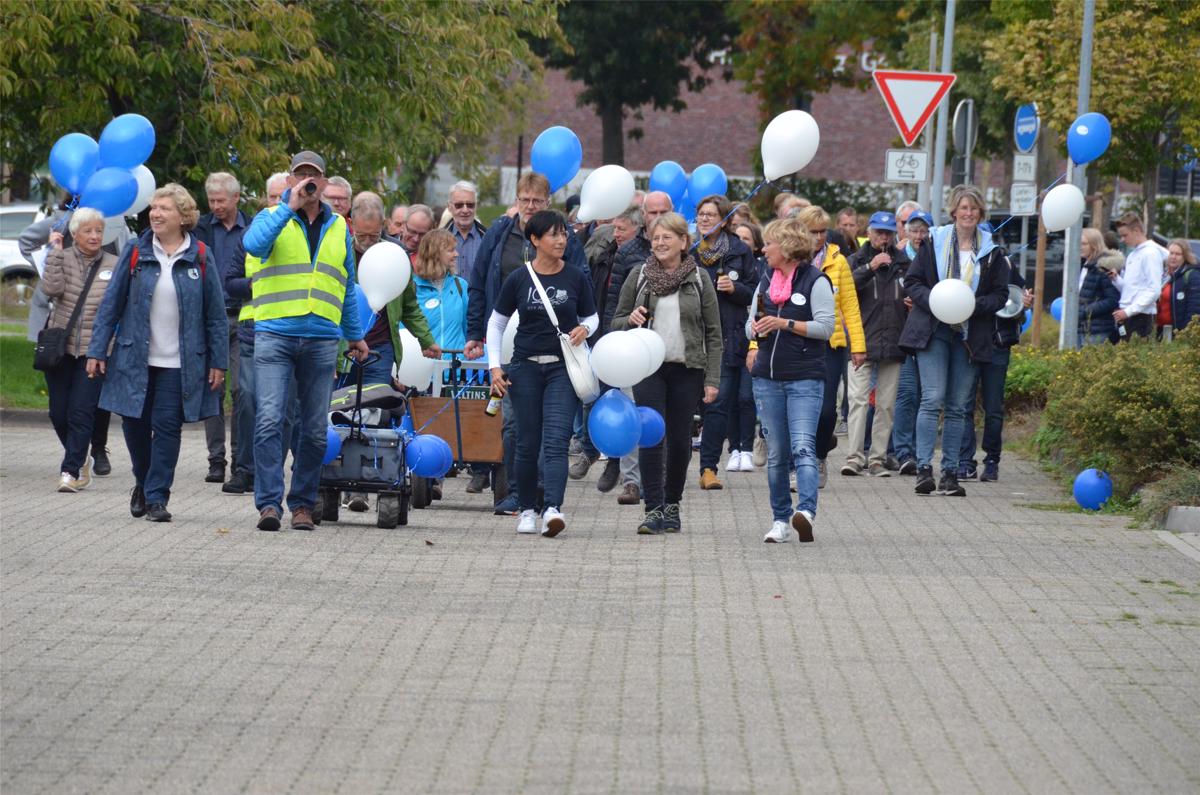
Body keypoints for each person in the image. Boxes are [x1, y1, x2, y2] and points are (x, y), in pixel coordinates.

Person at [240, 150, 369, 532]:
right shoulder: (271, 218)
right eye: (301, 175)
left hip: (321, 339)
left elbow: (345, 284)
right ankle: (268, 504)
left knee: (313, 429)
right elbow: (254, 246)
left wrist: (355, 335)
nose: (308, 181)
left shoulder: (338, 228)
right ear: (292, 180)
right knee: (269, 420)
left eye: (314, 176)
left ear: (326, 184)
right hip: (275, 334)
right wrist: (287, 206)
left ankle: (302, 505)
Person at [86, 184, 229, 521]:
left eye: (164, 208)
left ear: (183, 216)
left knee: (167, 426)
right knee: (133, 425)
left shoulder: (201, 256)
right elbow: (111, 305)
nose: (156, 213)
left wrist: (219, 361)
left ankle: (157, 498)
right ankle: (143, 481)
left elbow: (215, 316)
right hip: (134, 357)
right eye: (154, 207)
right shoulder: (136, 252)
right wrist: (97, 350)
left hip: (179, 362)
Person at [464, 172, 589, 516]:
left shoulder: (566, 241)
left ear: (547, 202)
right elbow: (478, 283)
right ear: (516, 201)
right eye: (525, 200)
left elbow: (583, 288)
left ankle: (546, 496)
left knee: (551, 427)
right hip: (506, 340)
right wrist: (476, 332)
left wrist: (582, 328)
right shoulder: (498, 234)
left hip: (554, 345)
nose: (530, 207)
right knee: (513, 424)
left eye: (537, 201)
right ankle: (516, 493)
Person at [485, 210, 597, 537]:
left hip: (562, 368)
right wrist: (495, 366)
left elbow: (592, 316)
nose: (561, 240)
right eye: (553, 235)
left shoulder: (575, 276)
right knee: (526, 442)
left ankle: (553, 508)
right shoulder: (519, 278)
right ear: (535, 240)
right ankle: (527, 509)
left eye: (564, 234)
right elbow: (497, 323)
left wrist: (584, 329)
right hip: (524, 368)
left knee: (556, 440)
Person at [611, 212, 721, 534]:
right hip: (648, 368)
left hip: (687, 369)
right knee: (650, 434)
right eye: (655, 237)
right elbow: (615, 321)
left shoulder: (699, 279)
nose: (659, 242)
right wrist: (629, 319)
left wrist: (712, 380)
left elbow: (714, 333)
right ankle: (653, 508)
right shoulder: (639, 275)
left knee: (678, 440)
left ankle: (672, 503)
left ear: (683, 242)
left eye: (667, 237)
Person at [898, 185, 1010, 497]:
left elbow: (1001, 294)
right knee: (932, 398)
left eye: (974, 209)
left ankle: (950, 471)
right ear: (954, 211)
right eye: (963, 208)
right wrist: (933, 300)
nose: (969, 213)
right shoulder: (934, 241)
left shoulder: (992, 250)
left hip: (970, 334)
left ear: (981, 214)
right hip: (934, 329)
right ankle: (923, 468)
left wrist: (975, 305)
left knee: (959, 405)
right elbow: (912, 282)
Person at [746, 217, 835, 543]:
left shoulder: (816, 281)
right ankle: (780, 521)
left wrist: (785, 325)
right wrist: (754, 330)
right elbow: (750, 322)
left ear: (785, 247)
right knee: (777, 453)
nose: (763, 248)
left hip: (804, 379)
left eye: (769, 243)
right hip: (767, 379)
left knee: (802, 447)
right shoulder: (765, 277)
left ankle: (806, 512)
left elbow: (826, 328)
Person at [21, 202, 126, 476]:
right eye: (88, 231)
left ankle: (72, 471)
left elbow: (118, 306)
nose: (94, 236)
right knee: (58, 413)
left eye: (99, 231)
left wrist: (107, 348)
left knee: (81, 412)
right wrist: (54, 253)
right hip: (60, 347)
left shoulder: (114, 265)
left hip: (94, 350)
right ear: (75, 233)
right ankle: (78, 455)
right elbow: (51, 289)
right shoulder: (62, 257)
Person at [595, 192, 672, 506]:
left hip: (672, 350)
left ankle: (663, 479)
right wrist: (620, 328)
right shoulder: (632, 257)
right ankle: (631, 481)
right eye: (651, 212)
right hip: (633, 348)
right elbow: (616, 307)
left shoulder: (688, 261)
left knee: (663, 417)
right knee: (630, 409)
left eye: (662, 211)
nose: (656, 218)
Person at [221, 172, 288, 495]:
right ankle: (243, 469)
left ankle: (270, 472)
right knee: (246, 399)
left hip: (289, 331)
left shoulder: (302, 237)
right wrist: (256, 286)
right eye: (272, 198)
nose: (277, 204)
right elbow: (230, 283)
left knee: (281, 407)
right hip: (252, 328)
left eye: (282, 197)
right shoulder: (250, 237)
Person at [797, 205, 866, 488]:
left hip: (831, 345)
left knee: (827, 410)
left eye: (822, 231)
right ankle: (801, 463)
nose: (818, 237)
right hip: (798, 343)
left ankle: (821, 455)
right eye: (812, 231)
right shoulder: (791, 260)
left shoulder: (839, 262)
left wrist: (858, 346)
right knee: (802, 409)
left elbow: (850, 306)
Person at [692, 194, 756, 490]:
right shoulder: (688, 249)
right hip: (691, 338)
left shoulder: (739, 251)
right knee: (689, 407)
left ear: (725, 220)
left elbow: (757, 293)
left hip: (727, 338)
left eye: (711, 214)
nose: (705, 219)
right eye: (701, 214)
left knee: (717, 405)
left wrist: (736, 288)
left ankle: (708, 468)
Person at [192, 171, 250, 486]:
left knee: (242, 391)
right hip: (211, 319)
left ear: (236, 198)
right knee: (212, 389)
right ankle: (216, 460)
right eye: (211, 201)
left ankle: (241, 461)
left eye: (221, 201)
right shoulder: (200, 229)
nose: (215, 206)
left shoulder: (253, 227)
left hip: (243, 317)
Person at [844, 211, 910, 477]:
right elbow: (844, 288)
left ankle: (877, 459)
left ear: (894, 235)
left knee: (885, 404)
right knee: (857, 400)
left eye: (887, 233)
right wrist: (869, 268)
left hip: (893, 340)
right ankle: (853, 457)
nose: (883, 238)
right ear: (868, 233)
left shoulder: (904, 263)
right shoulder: (855, 260)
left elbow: (914, 290)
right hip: (861, 342)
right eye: (878, 232)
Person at [958, 259, 1032, 483]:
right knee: (963, 405)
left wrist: (1025, 303)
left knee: (993, 407)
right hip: (968, 344)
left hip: (997, 344)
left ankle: (991, 461)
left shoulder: (1005, 263)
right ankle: (965, 461)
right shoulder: (963, 263)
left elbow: (1017, 299)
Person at [732, 221, 766, 470]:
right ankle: (734, 448)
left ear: (755, 244)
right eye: (738, 238)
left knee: (747, 396)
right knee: (730, 397)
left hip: (756, 338)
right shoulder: (729, 265)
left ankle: (748, 445)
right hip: (733, 335)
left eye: (747, 238)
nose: (742, 242)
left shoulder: (764, 269)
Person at [1112, 212, 1166, 340]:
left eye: (1125, 235)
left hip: (1141, 316)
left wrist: (1128, 311)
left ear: (1136, 230)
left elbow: (1154, 290)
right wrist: (1115, 279)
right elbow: (1130, 288)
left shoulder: (1150, 253)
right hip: (1128, 314)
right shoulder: (1133, 254)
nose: (1122, 240)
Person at [1077, 228, 1121, 346]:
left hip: (1097, 329)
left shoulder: (1104, 266)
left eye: (1084, 244)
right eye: (1079, 243)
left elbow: (1112, 299)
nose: (1080, 247)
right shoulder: (1083, 265)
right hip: (1081, 327)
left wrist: (1086, 311)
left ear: (1094, 245)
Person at [444, 180, 486, 284]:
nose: (465, 210)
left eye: (470, 205)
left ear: (476, 206)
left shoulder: (487, 238)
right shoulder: (438, 240)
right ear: (449, 207)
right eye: (459, 205)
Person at [1165, 239, 1199, 334]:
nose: (1173, 257)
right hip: (1161, 331)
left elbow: (1194, 308)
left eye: (1178, 254)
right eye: (1171, 253)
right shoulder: (1164, 275)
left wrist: (1185, 332)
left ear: (1185, 256)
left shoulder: (1192, 275)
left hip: (1179, 333)